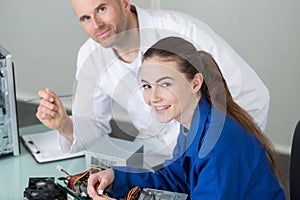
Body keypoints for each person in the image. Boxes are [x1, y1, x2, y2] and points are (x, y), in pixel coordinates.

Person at [36, 0, 270, 168]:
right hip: (153, 160)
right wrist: (64, 124)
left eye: (102, 9)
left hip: (211, 157)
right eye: (86, 18)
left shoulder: (181, 30)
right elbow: (94, 128)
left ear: (124, 3)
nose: (96, 24)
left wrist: (224, 155)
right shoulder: (90, 56)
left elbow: (251, 94)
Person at [87, 36, 284, 200]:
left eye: (165, 84)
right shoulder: (194, 124)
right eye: (147, 86)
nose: (153, 97)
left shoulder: (217, 145)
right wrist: (117, 177)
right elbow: (177, 179)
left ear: (195, 83)